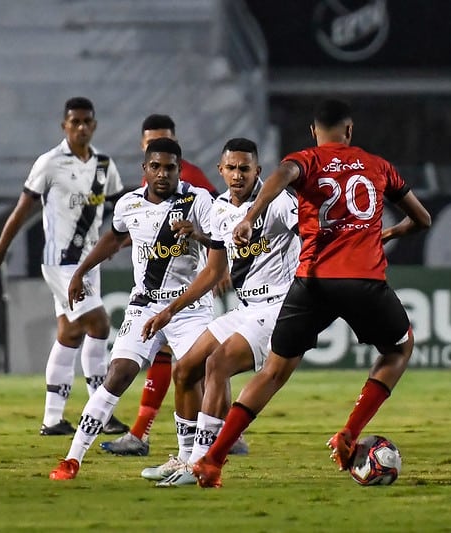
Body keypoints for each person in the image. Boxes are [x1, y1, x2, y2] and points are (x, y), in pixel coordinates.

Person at [190, 98, 432, 489]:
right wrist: (390, 232)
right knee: (399, 349)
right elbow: (422, 218)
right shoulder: (378, 165)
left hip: (312, 282)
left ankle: (212, 460)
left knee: (273, 371)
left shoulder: (305, 160)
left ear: (313, 131)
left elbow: (283, 173)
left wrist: (251, 216)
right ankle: (349, 433)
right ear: (350, 131)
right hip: (364, 281)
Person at [137, 137, 300, 486]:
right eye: (232, 168)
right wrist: (169, 311)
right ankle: (184, 458)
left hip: (279, 307)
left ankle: (200, 463)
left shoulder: (280, 202)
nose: (238, 175)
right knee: (184, 369)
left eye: (245, 168)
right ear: (220, 170)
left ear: (258, 171)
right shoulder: (220, 207)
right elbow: (212, 271)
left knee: (218, 363)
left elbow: (312, 235)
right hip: (246, 308)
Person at [49, 137, 215, 480]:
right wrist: (80, 272)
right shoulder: (129, 204)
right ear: (145, 170)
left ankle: (186, 461)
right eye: (156, 167)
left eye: (170, 167)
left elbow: (220, 241)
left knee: (189, 373)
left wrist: (196, 234)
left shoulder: (198, 200)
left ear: (180, 170)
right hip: (144, 304)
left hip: (190, 306)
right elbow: (112, 236)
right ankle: (73, 457)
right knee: (119, 372)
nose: (162, 174)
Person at [0, 96, 128, 436]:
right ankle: (100, 415)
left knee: (70, 333)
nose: (81, 127)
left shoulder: (105, 165)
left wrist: (120, 240)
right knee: (100, 325)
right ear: (64, 126)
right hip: (61, 261)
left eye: (87, 121)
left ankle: (52, 419)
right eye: (74, 122)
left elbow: (121, 208)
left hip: (91, 260)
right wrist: (1, 249)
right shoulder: (48, 163)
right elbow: (22, 210)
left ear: (94, 125)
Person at [100, 114, 221, 456]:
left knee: (198, 361)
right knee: (171, 359)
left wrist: (220, 266)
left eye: (165, 139)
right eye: (151, 140)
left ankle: (205, 434)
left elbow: (216, 222)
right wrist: (116, 247)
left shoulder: (191, 181)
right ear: (143, 148)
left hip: (190, 287)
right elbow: (143, 230)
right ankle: (149, 435)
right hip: (158, 292)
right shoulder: (144, 187)